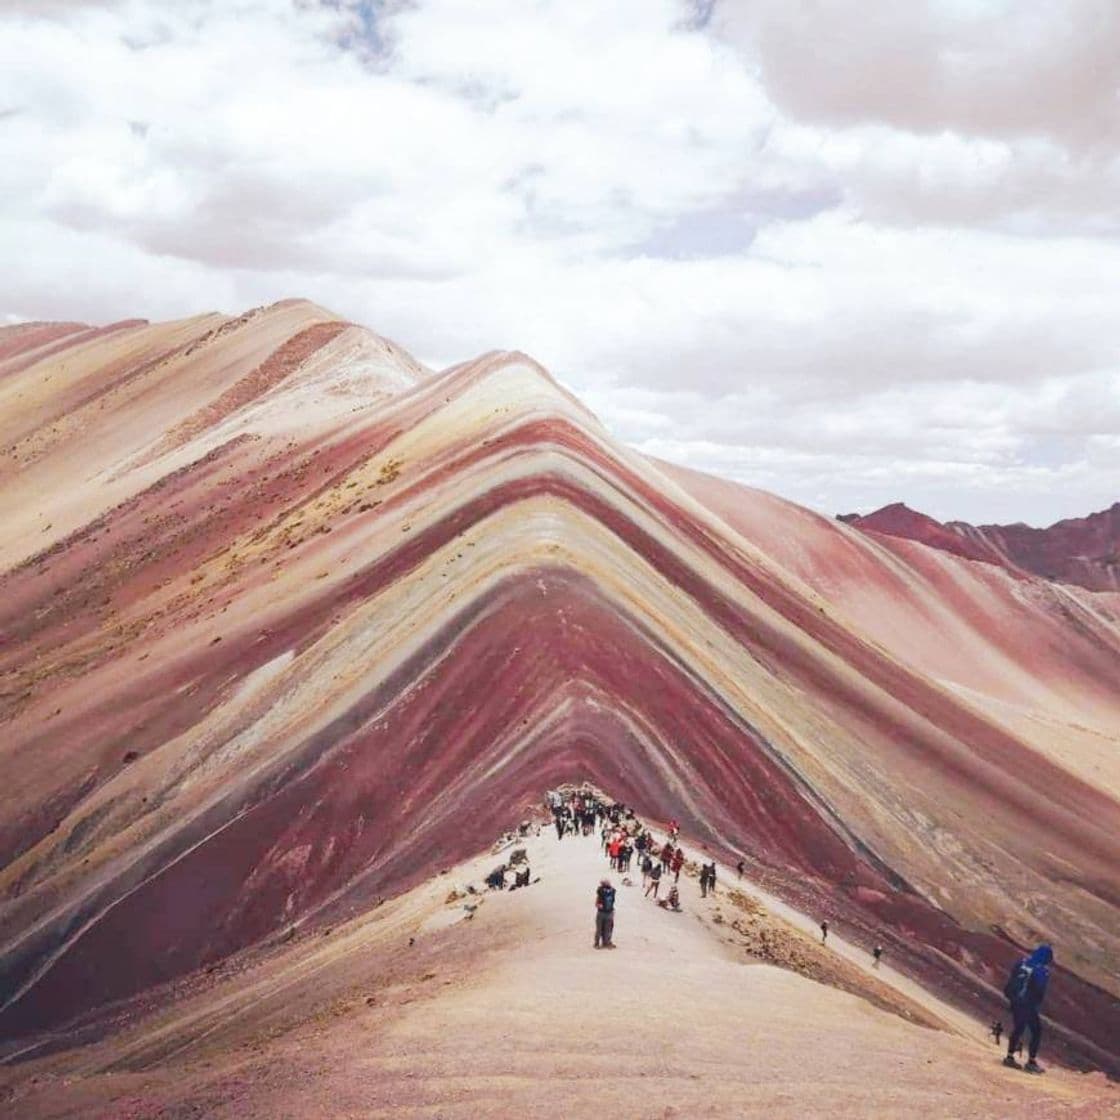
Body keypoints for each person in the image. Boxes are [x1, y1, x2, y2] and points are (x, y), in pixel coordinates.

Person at [1003, 944, 1052, 1073]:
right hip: (1028, 1004)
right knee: (1036, 1031)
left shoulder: (1022, 962)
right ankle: (1031, 1062)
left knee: (1018, 1028)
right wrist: (1036, 1003)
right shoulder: (1041, 970)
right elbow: (1040, 989)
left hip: (1015, 1000)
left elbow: (1012, 977)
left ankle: (1009, 1057)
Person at [594, 879, 617, 949]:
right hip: (604, 912)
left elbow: (596, 903)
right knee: (602, 929)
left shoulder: (605, 891)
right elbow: (596, 903)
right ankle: (599, 943)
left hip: (606, 912)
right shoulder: (605, 892)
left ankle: (604, 943)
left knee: (606, 929)